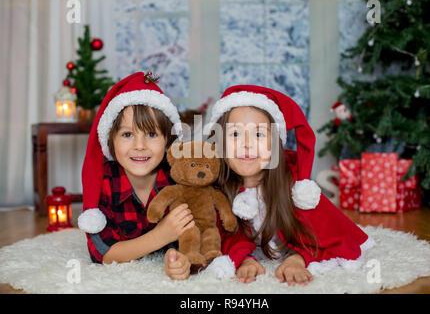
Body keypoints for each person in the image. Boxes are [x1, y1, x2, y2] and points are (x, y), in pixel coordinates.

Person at [204, 85, 374, 286]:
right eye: (235, 134)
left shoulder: (295, 187)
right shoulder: (216, 189)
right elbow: (221, 236)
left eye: (259, 134)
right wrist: (245, 258)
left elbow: (327, 235)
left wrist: (298, 258)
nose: (246, 144)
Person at [77, 71, 193, 280]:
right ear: (110, 141)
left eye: (151, 134)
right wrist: (160, 236)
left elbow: (196, 233)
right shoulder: (103, 182)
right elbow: (102, 253)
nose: (140, 146)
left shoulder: (177, 179)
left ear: (168, 141)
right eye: (127, 134)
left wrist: (180, 257)